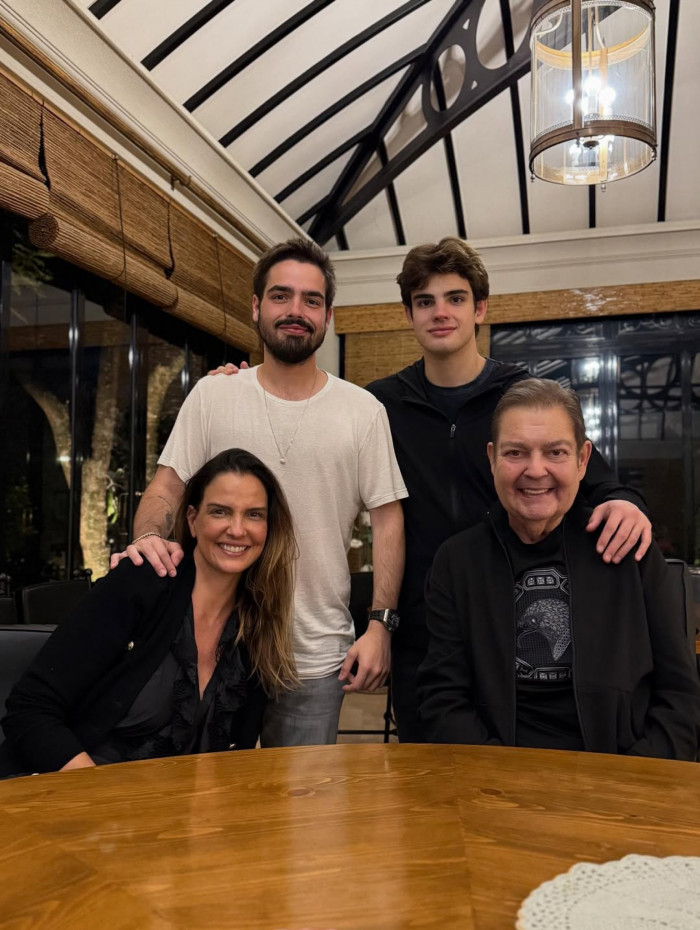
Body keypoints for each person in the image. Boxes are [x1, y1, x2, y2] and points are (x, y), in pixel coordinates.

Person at [113, 238, 406, 747]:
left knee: (300, 797)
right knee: (200, 789)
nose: (296, 311)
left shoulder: (362, 412)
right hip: (209, 644)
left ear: (328, 316)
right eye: (280, 296)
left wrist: (380, 624)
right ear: (256, 307)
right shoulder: (214, 394)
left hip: (312, 655)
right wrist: (148, 539)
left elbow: (388, 521)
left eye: (311, 300)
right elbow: (168, 487)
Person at [366, 237, 653, 742]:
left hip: (513, 616)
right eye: (425, 301)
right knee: (433, 770)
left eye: (455, 298)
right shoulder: (378, 405)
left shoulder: (521, 397)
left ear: (480, 309)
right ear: (408, 315)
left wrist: (625, 502)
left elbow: (592, 477)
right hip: (424, 630)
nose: (440, 312)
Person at [418, 380, 700, 759]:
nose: (536, 470)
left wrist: (632, 779)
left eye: (556, 452)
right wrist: (499, 778)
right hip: (496, 775)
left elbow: (680, 696)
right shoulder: (457, 562)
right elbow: (443, 698)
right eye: (516, 452)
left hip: (620, 772)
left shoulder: (628, 549)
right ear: (492, 459)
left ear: (583, 460)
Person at [1, 449, 298, 775]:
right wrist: (97, 793)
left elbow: (232, 758)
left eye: (254, 515)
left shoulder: (257, 625)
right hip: (72, 790)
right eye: (220, 511)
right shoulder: (144, 582)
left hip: (167, 804)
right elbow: (30, 709)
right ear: (192, 520)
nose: (237, 529)